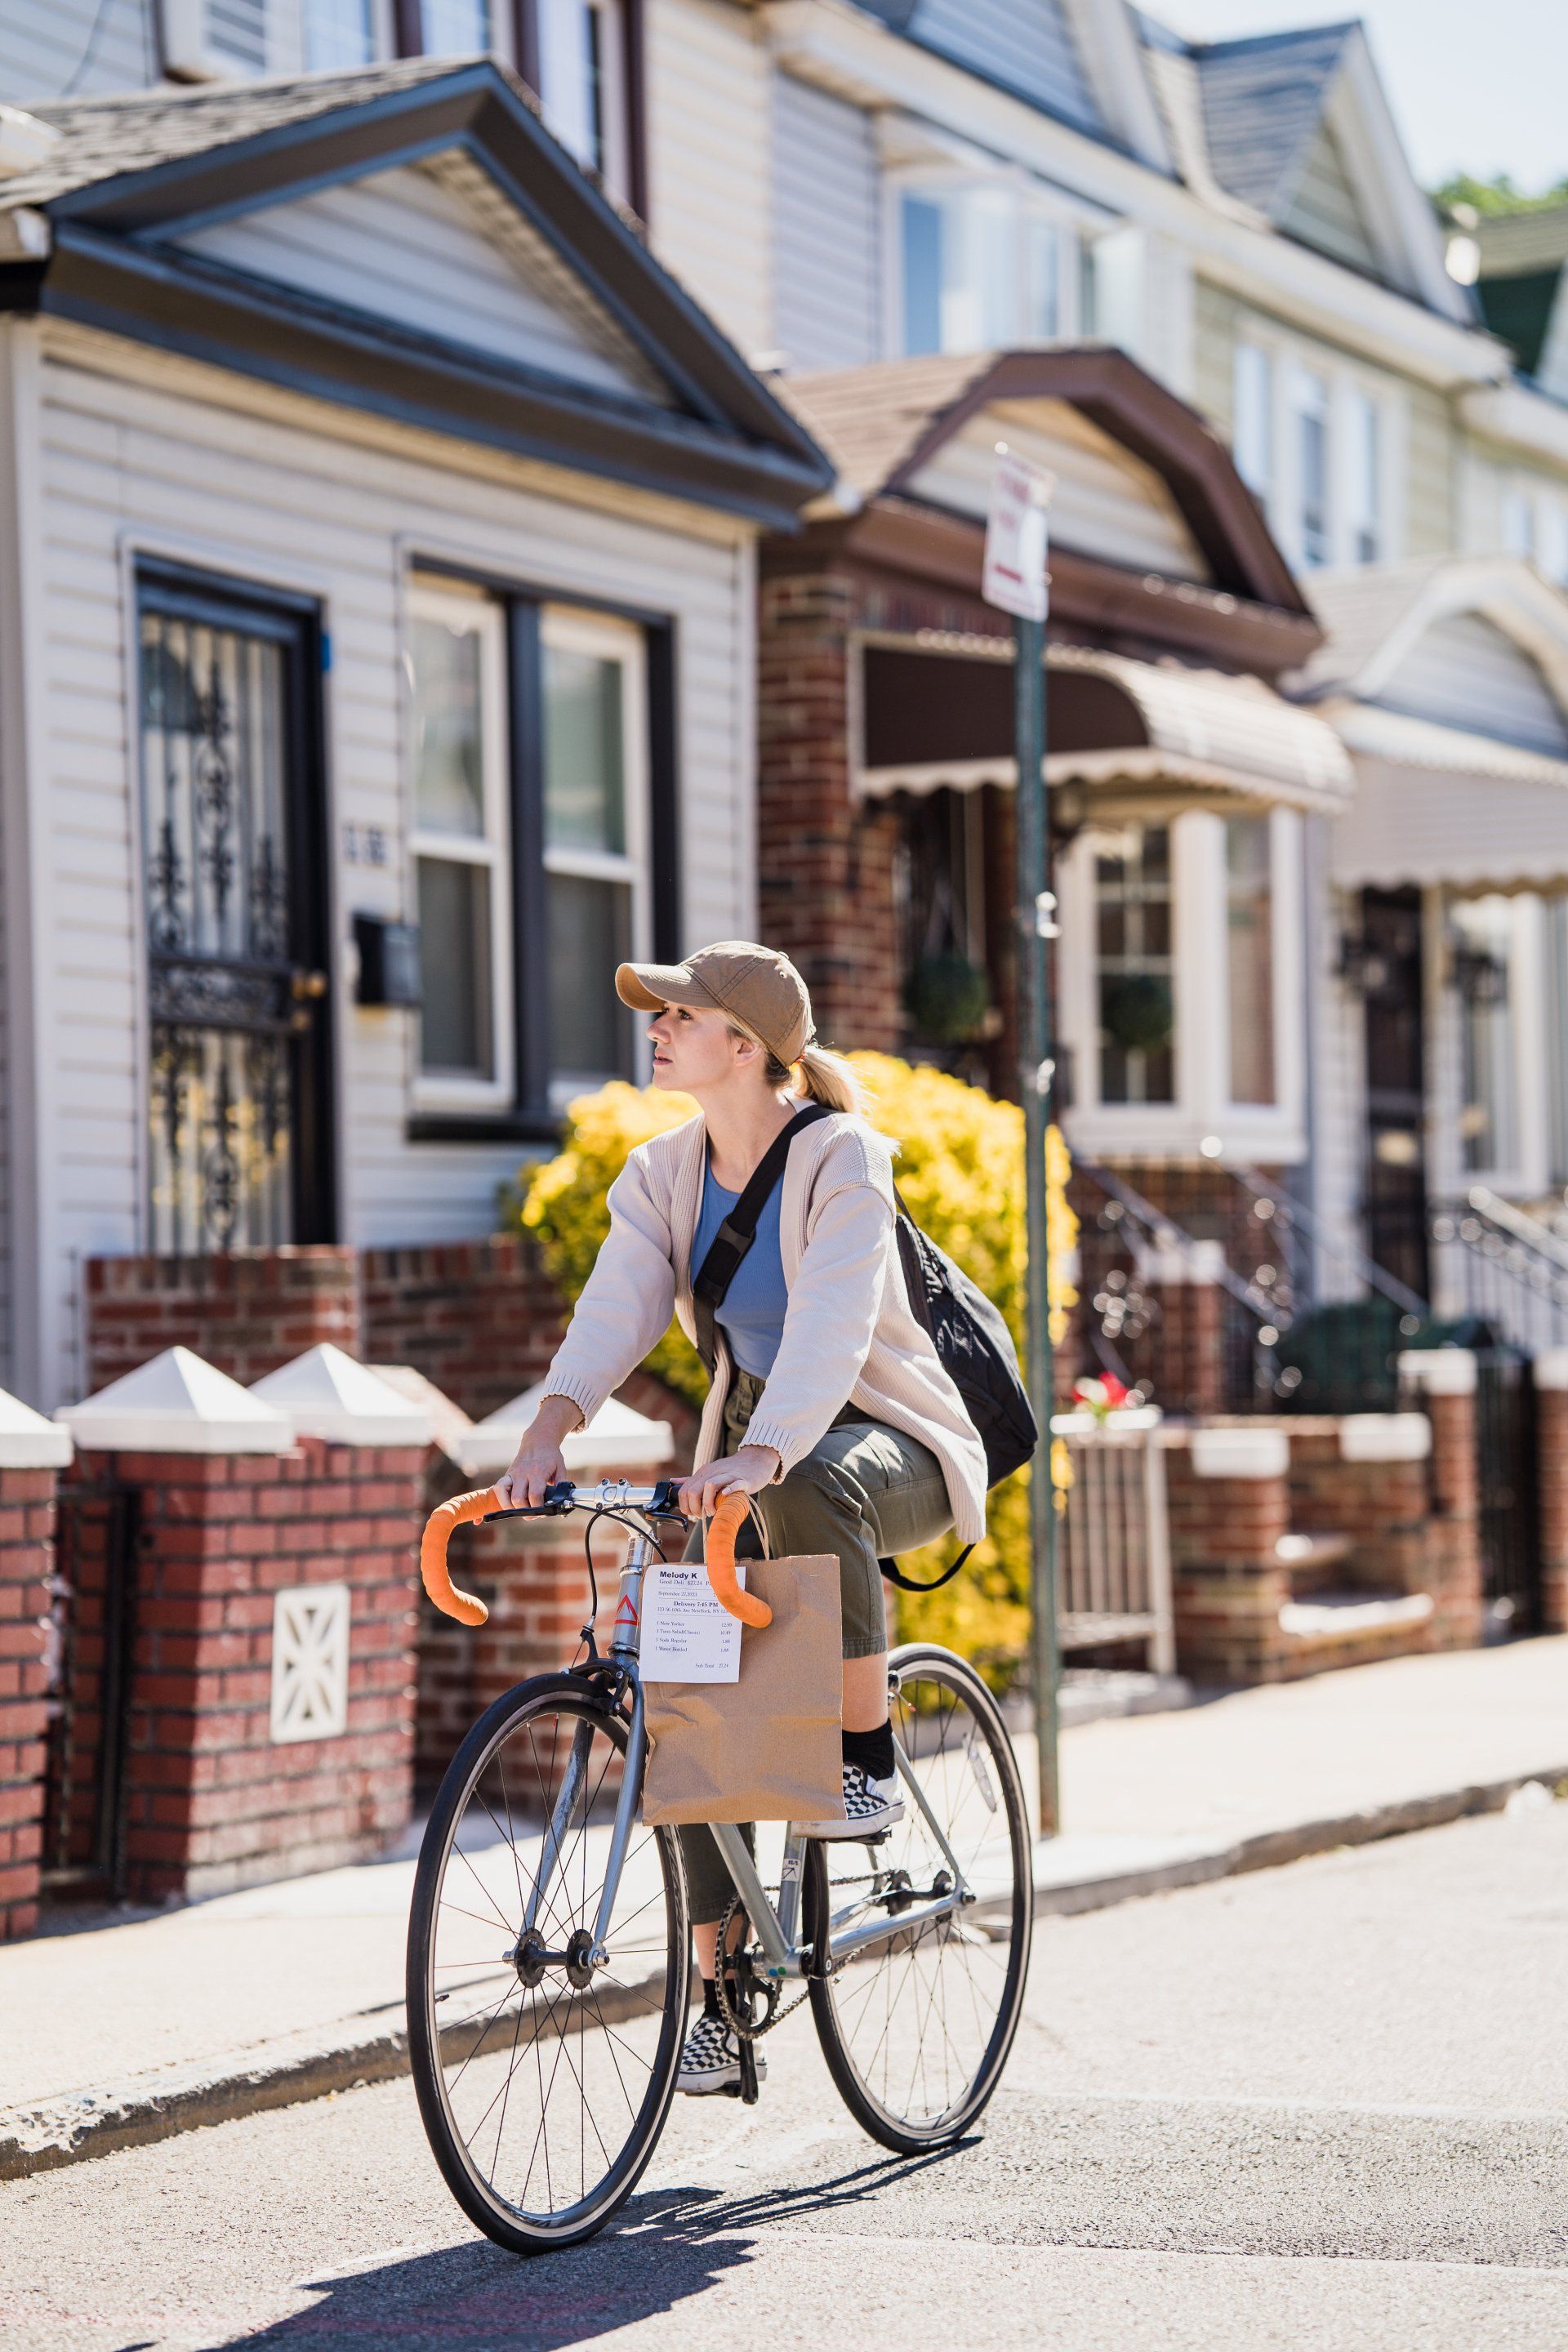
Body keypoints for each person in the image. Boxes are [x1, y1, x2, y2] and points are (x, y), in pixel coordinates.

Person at [499, 941, 987, 2097]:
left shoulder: (843, 1157)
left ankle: (863, 1755)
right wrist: (548, 1427)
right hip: (754, 1456)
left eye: (680, 1013)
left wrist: (769, 1449)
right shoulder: (665, 1172)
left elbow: (831, 1321)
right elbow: (615, 1303)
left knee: (812, 1483)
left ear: (748, 1045)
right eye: (657, 1013)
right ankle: (722, 1999)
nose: (656, 1027)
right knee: (695, 1693)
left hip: (887, 1438)